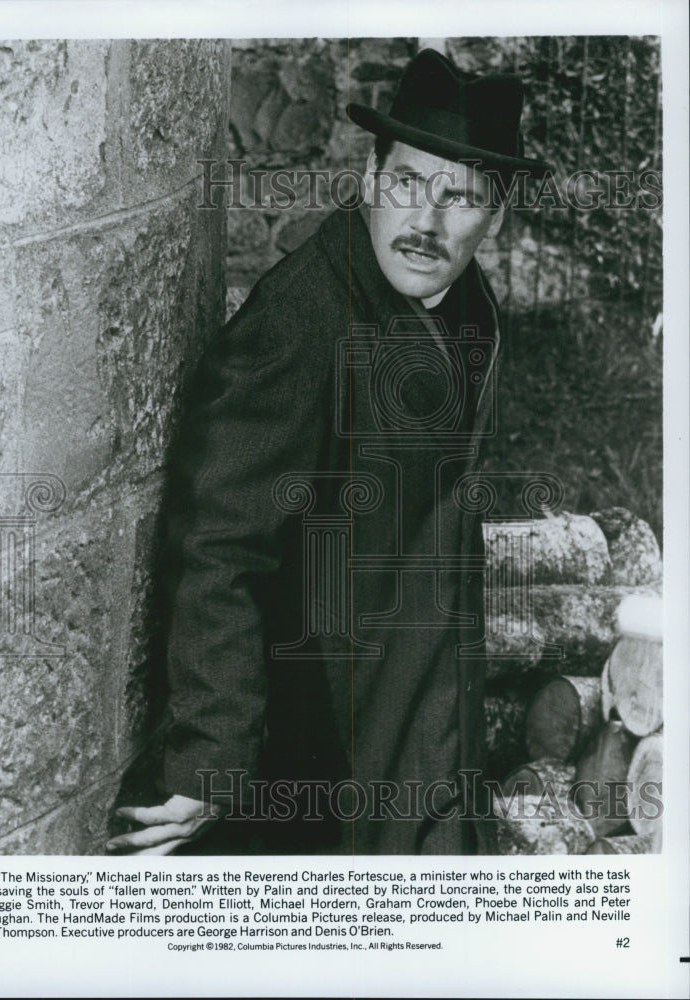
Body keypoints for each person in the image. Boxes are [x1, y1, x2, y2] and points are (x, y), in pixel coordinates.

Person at [106, 48, 552, 856]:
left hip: (423, 715)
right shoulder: (302, 318)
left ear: (496, 216)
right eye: (410, 182)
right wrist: (211, 760)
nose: (427, 220)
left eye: (461, 197)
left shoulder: (470, 310)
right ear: (372, 177)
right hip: (321, 741)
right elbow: (217, 545)